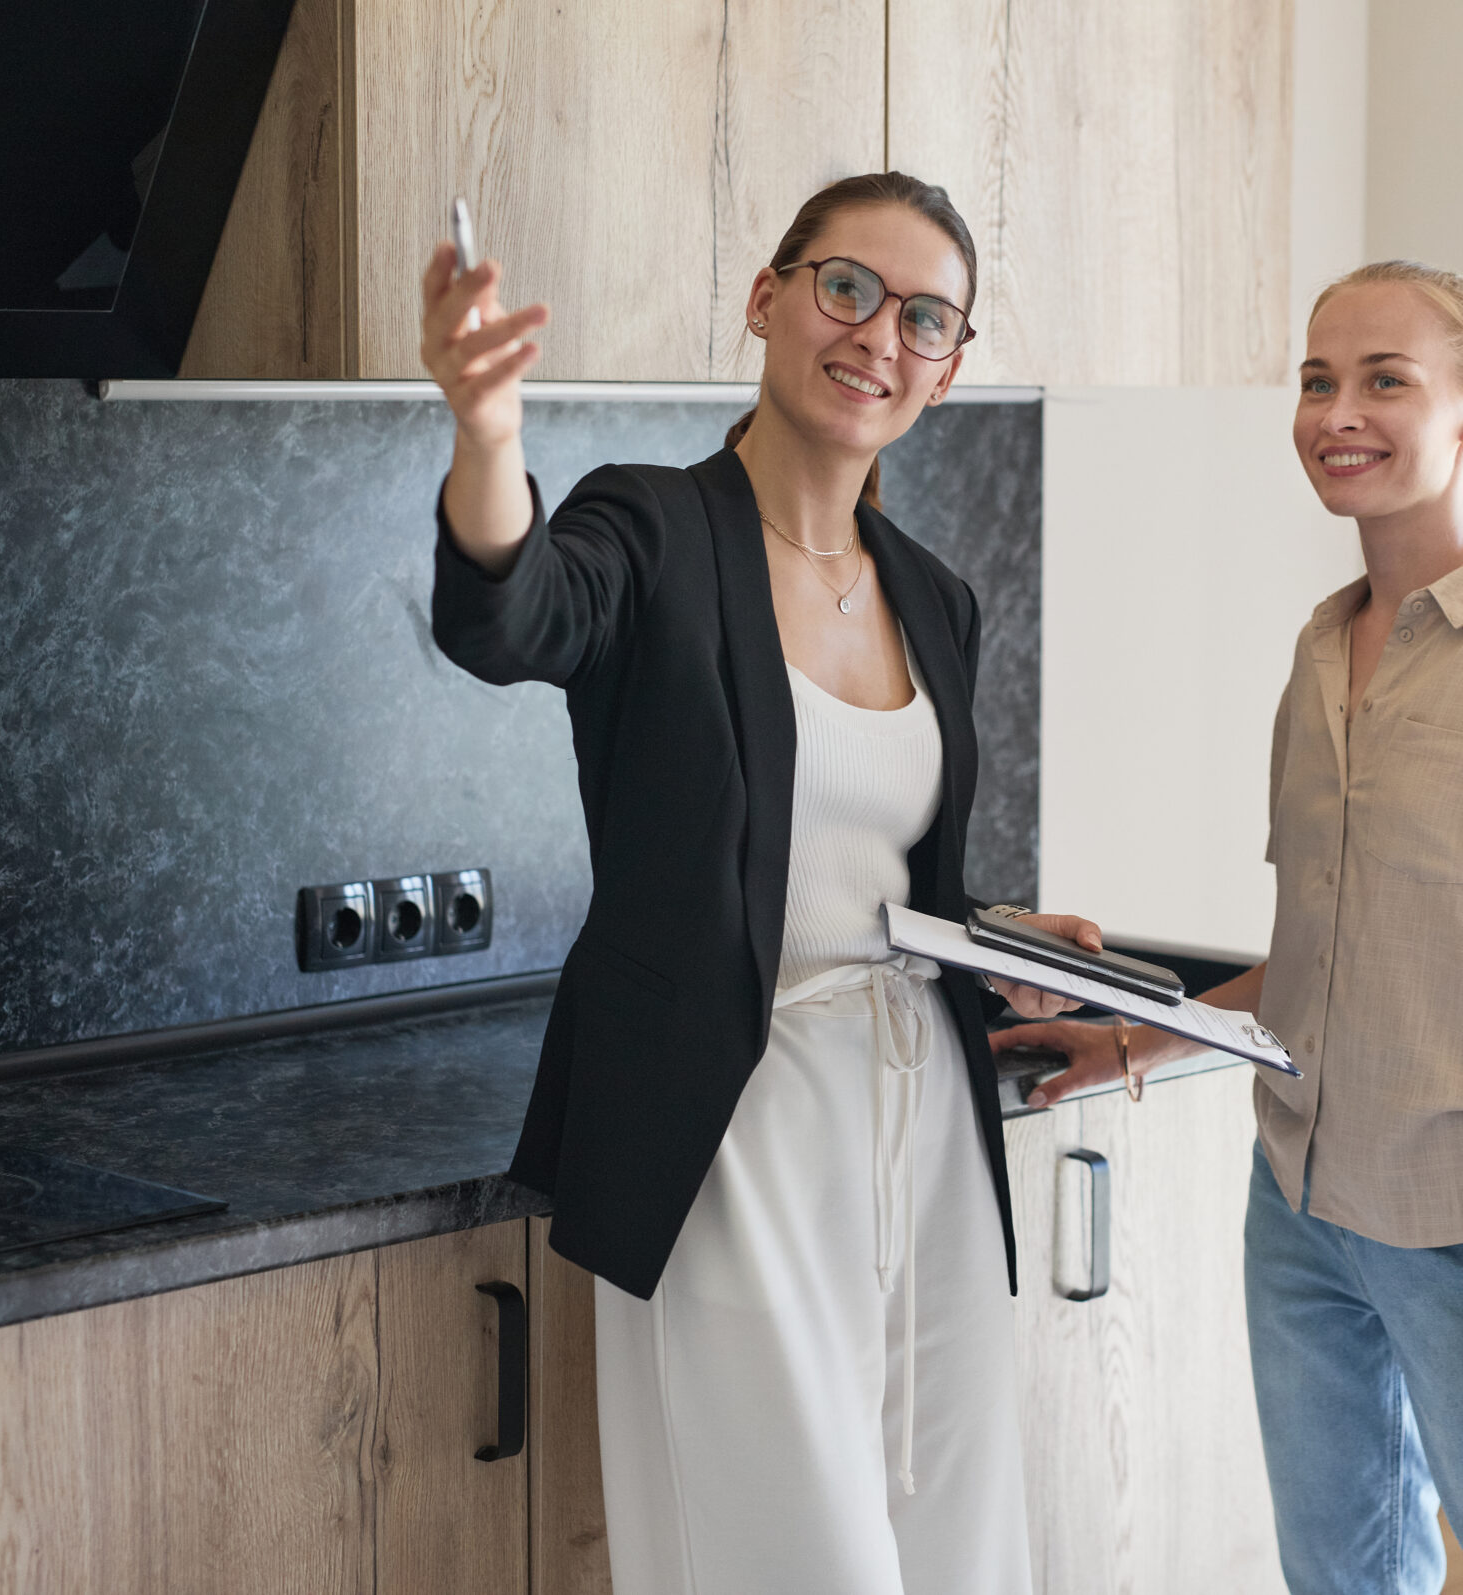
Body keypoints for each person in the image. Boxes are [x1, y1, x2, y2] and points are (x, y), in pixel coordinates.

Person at [420, 172, 1103, 1595]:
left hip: (923, 1131)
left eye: (927, 317)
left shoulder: (935, 592)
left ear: (952, 363)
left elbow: (877, 873)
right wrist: (488, 436)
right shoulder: (656, 533)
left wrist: (1000, 936)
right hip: (729, 1125)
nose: (879, 336)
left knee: (963, 1551)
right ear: (769, 298)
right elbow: (515, 614)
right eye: (847, 287)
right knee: (795, 1565)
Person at [995, 261, 1463, 1594]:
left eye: (1383, 381)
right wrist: (1137, 1041)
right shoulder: (1324, 648)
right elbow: (1326, 965)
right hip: (1301, 1212)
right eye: (1318, 379)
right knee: (1344, 1582)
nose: (1336, 412)